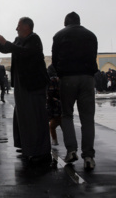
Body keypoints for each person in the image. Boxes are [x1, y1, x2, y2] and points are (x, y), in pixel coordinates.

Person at [0, 17, 51, 165]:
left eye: (18, 26)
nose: (16, 29)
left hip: (33, 84)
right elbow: (10, 49)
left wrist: (5, 42)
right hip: (22, 84)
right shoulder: (18, 40)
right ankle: (27, 146)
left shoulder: (34, 39)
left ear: (27, 27)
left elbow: (25, 52)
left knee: (35, 117)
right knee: (23, 116)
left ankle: (40, 151)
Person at [52, 11, 98, 170]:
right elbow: (93, 56)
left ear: (66, 23)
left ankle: (71, 150)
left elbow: (55, 58)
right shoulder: (91, 35)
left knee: (67, 114)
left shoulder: (59, 35)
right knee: (87, 118)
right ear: (79, 22)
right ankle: (89, 157)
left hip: (68, 79)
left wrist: (60, 74)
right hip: (87, 78)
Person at [46, 64, 61, 146]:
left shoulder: (51, 80)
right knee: (63, 125)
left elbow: (49, 95)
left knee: (52, 126)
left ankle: (54, 141)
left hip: (55, 106)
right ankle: (70, 146)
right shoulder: (60, 79)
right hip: (62, 105)